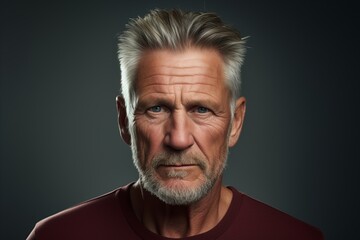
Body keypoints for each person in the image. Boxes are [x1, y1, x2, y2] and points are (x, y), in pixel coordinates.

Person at [27, 9, 323, 239]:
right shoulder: (57, 237)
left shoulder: (295, 238)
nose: (179, 139)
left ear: (235, 122)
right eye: (156, 108)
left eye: (202, 109)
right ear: (123, 120)